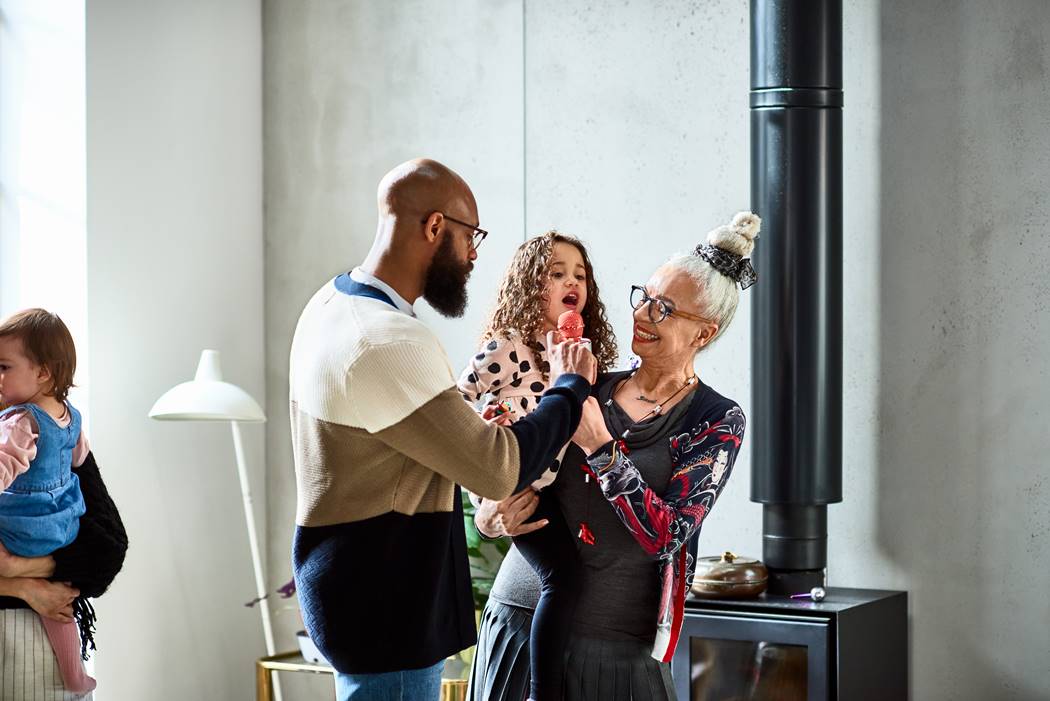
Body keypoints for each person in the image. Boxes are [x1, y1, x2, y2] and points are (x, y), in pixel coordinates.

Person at [288, 158, 596, 701]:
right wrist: (569, 385)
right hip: (388, 600)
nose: (476, 254)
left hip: (348, 583)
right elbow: (497, 467)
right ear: (434, 227)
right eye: (469, 235)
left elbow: (416, 449)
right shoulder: (386, 341)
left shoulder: (330, 303)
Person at [468, 212, 760, 700]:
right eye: (643, 297)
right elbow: (505, 455)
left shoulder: (716, 420)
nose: (642, 314)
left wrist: (601, 448)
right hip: (518, 625)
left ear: (703, 334)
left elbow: (666, 535)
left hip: (617, 655)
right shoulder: (587, 382)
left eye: (663, 309)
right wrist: (488, 514)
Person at [457, 231, 618, 701]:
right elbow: (455, 399)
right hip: (516, 484)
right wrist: (484, 423)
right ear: (530, 285)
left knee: (576, 577)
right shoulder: (508, 347)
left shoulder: (581, 358)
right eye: (556, 273)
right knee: (562, 578)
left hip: (554, 488)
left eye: (580, 275)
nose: (572, 282)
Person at [0, 309, 95, 693]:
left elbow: (4, 463)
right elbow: (79, 459)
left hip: (21, 528)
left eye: (4, 367)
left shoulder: (19, 421)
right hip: (60, 525)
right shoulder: (70, 416)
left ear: (43, 372)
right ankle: (76, 674)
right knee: (59, 608)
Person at [0, 448, 128, 700]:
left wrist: (18, 568)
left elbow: (107, 550)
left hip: (36, 647)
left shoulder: (55, 437)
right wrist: (25, 588)